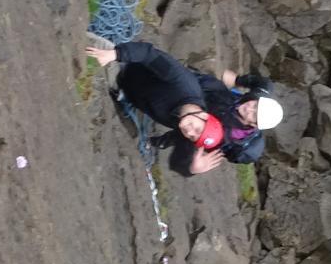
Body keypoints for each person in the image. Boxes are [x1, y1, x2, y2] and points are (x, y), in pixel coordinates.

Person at [85, 33, 283, 177]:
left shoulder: (228, 140)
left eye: (254, 114)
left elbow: (183, 153)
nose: (250, 108)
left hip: (182, 108)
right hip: (176, 91)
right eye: (255, 105)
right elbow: (150, 55)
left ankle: (157, 141)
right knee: (181, 99)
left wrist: (191, 169)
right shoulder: (189, 89)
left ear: (254, 125)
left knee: (185, 126)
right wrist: (239, 79)